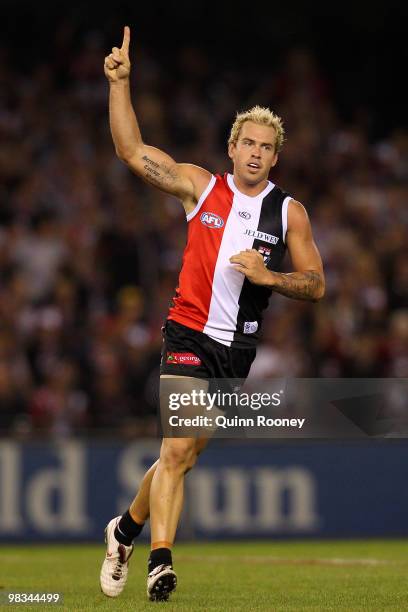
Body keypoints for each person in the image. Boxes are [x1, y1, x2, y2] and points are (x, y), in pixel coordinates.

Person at [100, 26, 325, 602]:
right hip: (185, 333)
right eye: (246, 142)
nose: (254, 152)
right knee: (176, 447)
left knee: (186, 453)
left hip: (236, 352)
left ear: (276, 156)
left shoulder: (289, 213)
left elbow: (316, 284)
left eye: (265, 146)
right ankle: (161, 563)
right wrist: (120, 85)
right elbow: (131, 151)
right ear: (231, 148)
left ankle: (125, 528)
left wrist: (269, 275)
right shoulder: (200, 188)